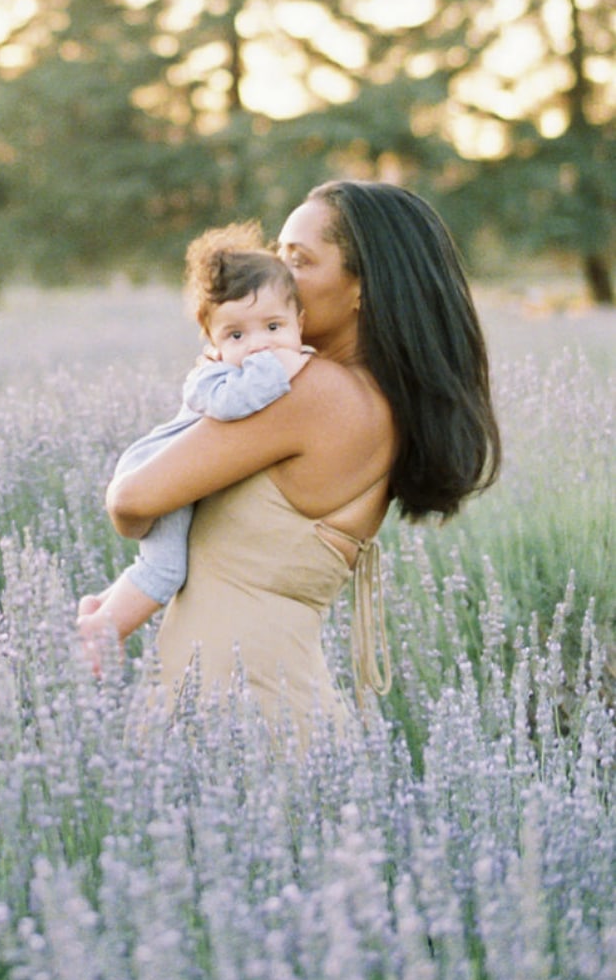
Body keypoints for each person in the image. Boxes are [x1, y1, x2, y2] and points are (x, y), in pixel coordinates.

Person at [86, 180, 501, 741]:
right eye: (277, 253)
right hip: (254, 700)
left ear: (363, 287)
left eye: (299, 260)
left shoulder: (314, 392)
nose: (275, 274)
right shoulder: (369, 397)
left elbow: (131, 500)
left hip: (244, 710)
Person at [77, 224, 313, 667]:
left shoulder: (267, 362)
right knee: (165, 570)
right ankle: (101, 634)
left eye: (273, 326)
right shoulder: (213, 375)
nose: (258, 345)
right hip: (158, 466)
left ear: (300, 323)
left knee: (156, 563)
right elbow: (230, 406)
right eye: (236, 336)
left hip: (178, 470)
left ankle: (100, 606)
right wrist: (284, 366)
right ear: (213, 342)